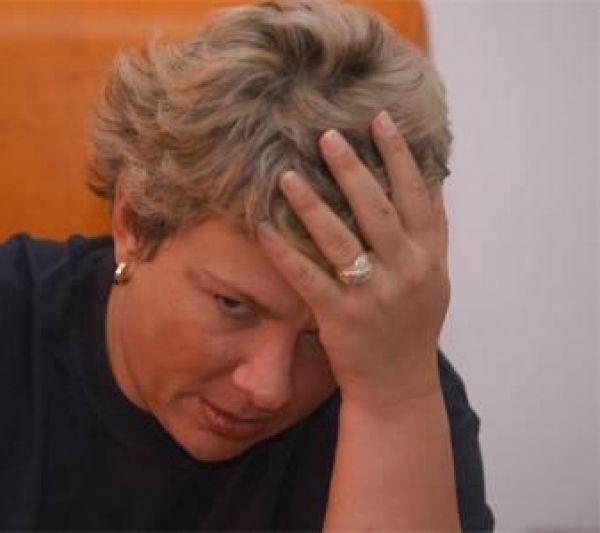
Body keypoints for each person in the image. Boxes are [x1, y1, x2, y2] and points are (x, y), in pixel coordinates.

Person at [0, 0, 494, 530]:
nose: (269, 387)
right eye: (234, 306)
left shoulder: (396, 386)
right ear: (134, 223)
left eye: (322, 336)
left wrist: (390, 403)